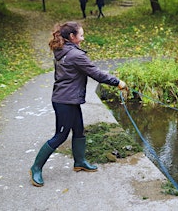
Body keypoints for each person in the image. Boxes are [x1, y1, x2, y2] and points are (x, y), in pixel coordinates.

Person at [30, 21, 128, 187]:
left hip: (69, 99)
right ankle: (36, 168)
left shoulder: (63, 49)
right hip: (64, 101)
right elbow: (96, 73)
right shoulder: (75, 55)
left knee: (79, 130)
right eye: (81, 35)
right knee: (60, 136)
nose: (83, 38)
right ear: (72, 37)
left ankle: (80, 162)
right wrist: (118, 82)